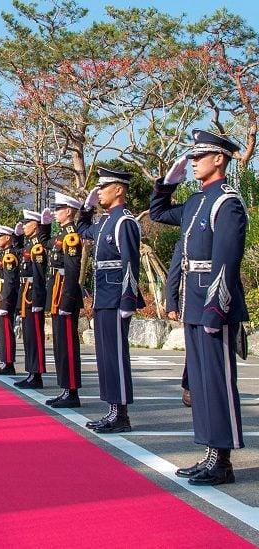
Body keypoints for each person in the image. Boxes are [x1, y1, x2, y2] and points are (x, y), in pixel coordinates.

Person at [150, 129, 246, 485]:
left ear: (219, 158)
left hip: (211, 305)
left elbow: (226, 262)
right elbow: (158, 213)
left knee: (217, 384)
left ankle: (222, 460)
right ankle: (208, 451)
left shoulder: (227, 201)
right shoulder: (195, 201)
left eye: (197, 158)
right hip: (194, 302)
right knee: (202, 385)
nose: (191, 163)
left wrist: (215, 309)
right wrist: (167, 183)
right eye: (190, 159)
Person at [77, 167, 144, 433]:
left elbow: (131, 264)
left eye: (103, 188)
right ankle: (112, 409)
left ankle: (121, 413)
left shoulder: (124, 221)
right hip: (103, 298)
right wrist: (86, 207)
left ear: (118, 189)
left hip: (117, 297)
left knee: (116, 356)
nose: (99, 191)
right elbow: (83, 229)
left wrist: (128, 299)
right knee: (104, 356)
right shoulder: (105, 221)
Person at [44, 192, 84, 408]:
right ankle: (65, 389)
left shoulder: (71, 235)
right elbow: (45, 243)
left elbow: (72, 269)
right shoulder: (60, 234)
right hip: (57, 295)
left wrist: (67, 300)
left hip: (64, 295)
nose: (55, 212)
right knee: (60, 345)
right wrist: (43, 226)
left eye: (58, 209)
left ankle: (72, 391)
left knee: (67, 345)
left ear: (68, 211)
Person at [13, 208, 52, 389]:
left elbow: (39, 275)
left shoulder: (37, 247)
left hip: (32, 295)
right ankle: (30, 372)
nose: (23, 226)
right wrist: (18, 237)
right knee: (28, 337)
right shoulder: (29, 245)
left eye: (26, 223)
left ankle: (36, 375)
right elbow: (17, 252)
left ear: (35, 225)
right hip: (25, 295)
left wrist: (37, 299)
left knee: (34, 336)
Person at [0, 224, 19, 375]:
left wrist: (6, 303)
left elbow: (10, 281)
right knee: (1, 331)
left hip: (5, 298)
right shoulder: (3, 254)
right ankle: (4, 361)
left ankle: (8, 363)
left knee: (6, 331)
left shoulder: (9, 255)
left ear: (7, 238)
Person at [165, 241, 191, 407]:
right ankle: (189, 387)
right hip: (193, 303)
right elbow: (174, 274)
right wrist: (172, 304)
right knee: (194, 351)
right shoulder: (184, 242)